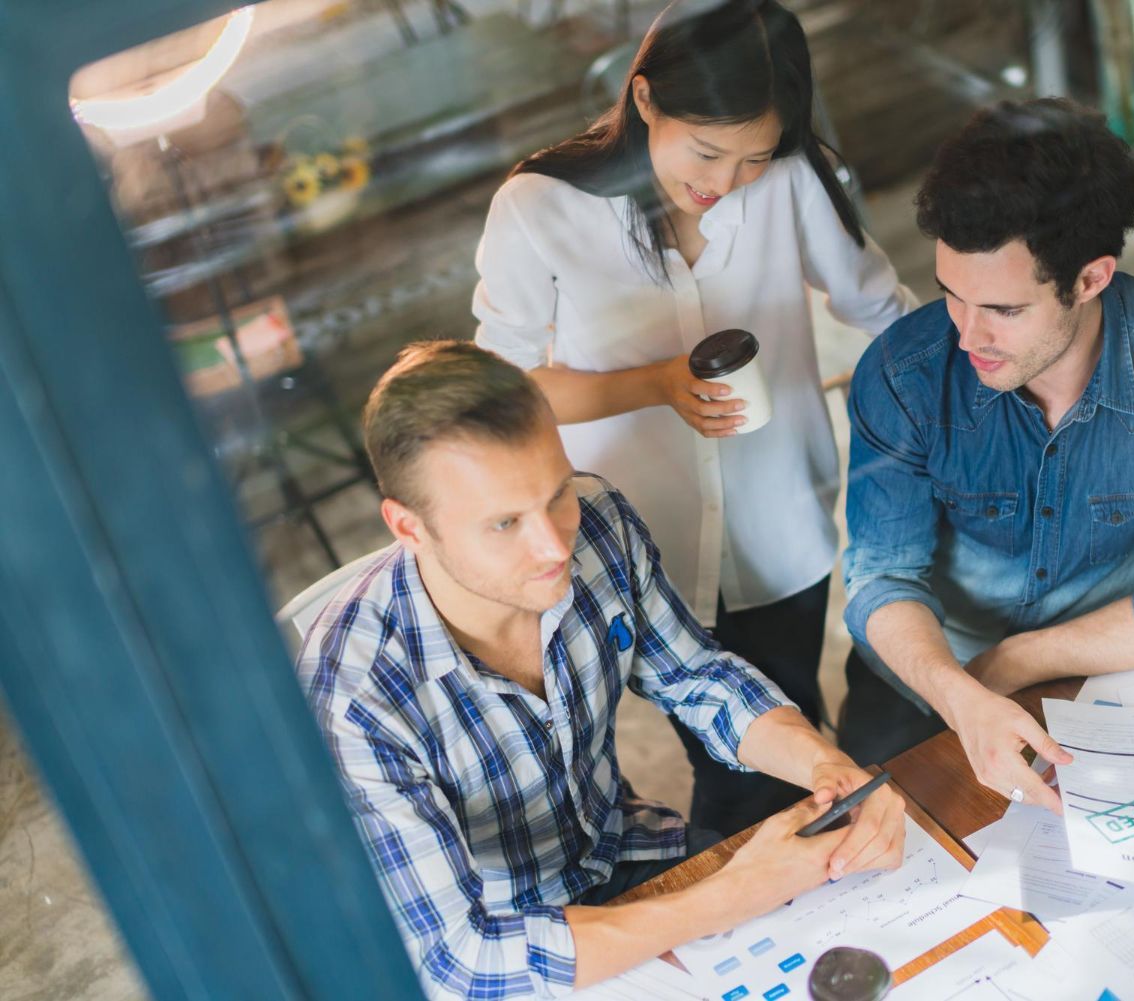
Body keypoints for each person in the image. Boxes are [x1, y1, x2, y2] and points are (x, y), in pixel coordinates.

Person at [296, 341, 905, 999]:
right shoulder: (350, 697)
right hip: (507, 951)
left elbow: (697, 677)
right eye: (504, 523)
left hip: (627, 852)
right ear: (408, 527)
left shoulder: (600, 518)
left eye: (557, 492)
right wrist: (733, 894)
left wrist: (823, 764)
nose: (554, 546)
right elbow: (463, 957)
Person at [470, 0, 917, 834]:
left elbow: (879, 307)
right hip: (646, 542)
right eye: (706, 151)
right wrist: (656, 384)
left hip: (784, 520)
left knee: (791, 721)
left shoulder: (792, 178)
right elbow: (501, 388)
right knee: (735, 768)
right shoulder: (540, 206)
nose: (725, 181)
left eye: (755, 157)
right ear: (644, 98)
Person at [838, 99, 1134, 811]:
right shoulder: (902, 374)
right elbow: (882, 577)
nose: (967, 335)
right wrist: (959, 691)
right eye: (952, 295)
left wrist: (1016, 661)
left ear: (1090, 279)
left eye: (1004, 310)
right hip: (928, 667)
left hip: (1110, 659)